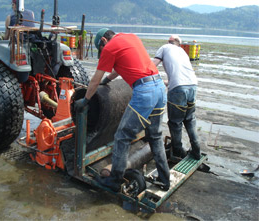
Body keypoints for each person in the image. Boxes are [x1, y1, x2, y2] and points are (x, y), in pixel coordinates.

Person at [75, 28, 170, 192]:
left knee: (122, 136)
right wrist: (107, 80)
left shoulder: (110, 47)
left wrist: (86, 100)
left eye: (101, 49)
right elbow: (120, 67)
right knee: (154, 136)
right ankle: (164, 178)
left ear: (104, 41)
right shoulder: (130, 37)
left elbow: (95, 79)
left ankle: (114, 179)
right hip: (160, 88)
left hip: (145, 92)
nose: (103, 52)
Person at [153, 35, 201, 160]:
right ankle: (196, 151)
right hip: (193, 86)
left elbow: (152, 66)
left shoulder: (164, 47)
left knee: (175, 123)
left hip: (179, 89)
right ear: (179, 44)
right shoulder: (183, 52)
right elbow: (181, 77)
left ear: (169, 42)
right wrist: (161, 81)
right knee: (190, 120)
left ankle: (177, 152)